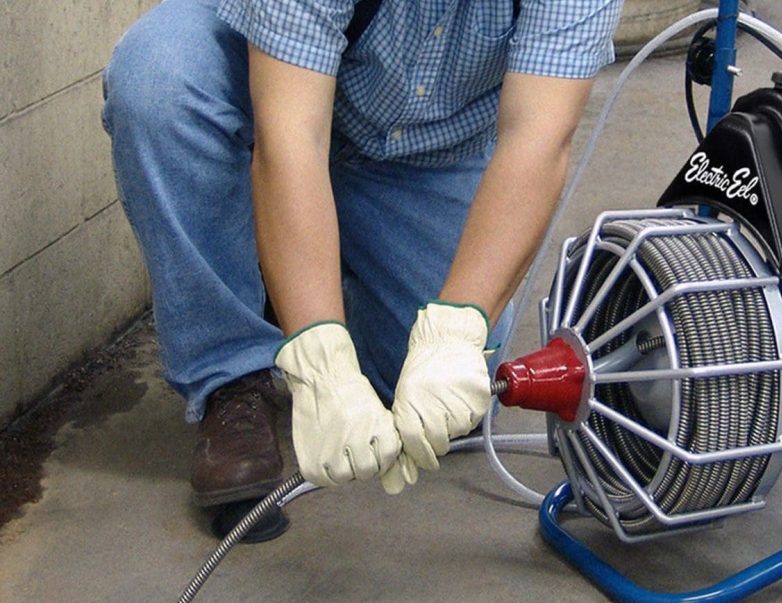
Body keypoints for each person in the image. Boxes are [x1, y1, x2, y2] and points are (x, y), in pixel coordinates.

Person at [101, 0, 623, 526]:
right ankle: (232, 373)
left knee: (448, 400)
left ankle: (297, 268)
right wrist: (320, 360)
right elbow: (292, 133)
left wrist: (456, 328)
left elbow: (538, 137)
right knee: (159, 79)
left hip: (424, 155)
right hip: (269, 88)